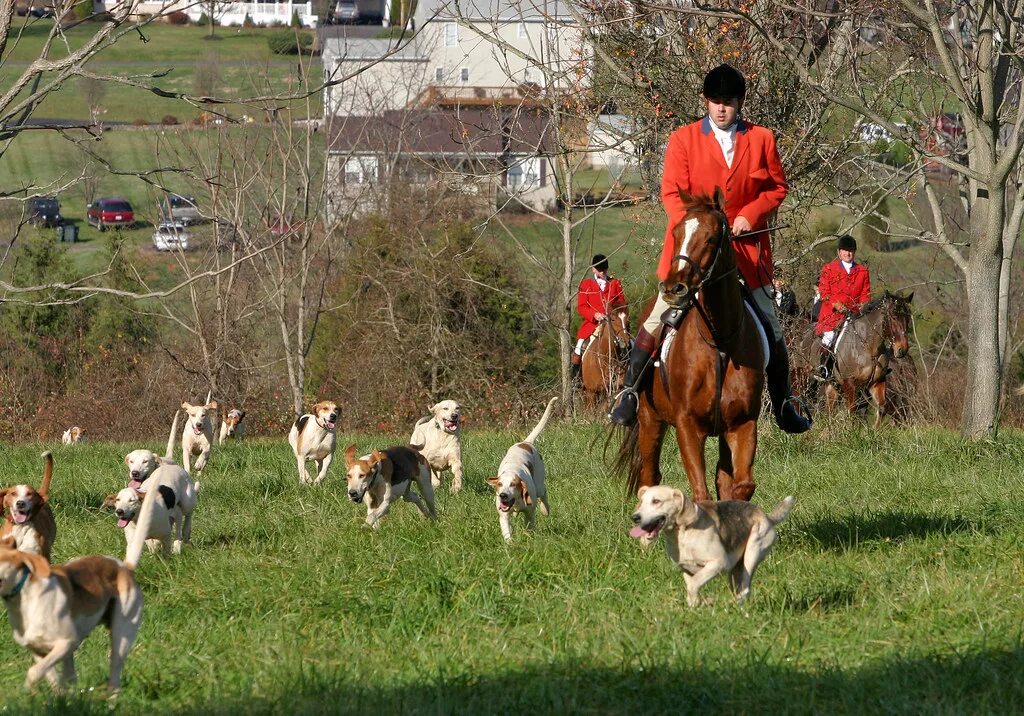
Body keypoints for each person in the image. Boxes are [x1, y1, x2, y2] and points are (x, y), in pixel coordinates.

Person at [609, 63, 811, 433]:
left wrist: (751, 214)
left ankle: (784, 404)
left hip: (747, 257)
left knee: (772, 326)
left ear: (740, 103)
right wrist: (698, 226)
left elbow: (777, 188)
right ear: (706, 101)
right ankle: (629, 394)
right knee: (657, 318)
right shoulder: (683, 139)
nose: (721, 109)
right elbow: (670, 192)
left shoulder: (762, 139)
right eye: (715, 102)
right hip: (694, 254)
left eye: (729, 102)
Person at [810, 234, 871, 386]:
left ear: (854, 252)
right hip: (833, 316)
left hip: (855, 315)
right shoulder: (828, 269)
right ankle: (823, 367)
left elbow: (866, 294)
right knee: (829, 337)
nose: (848, 254)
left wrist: (863, 305)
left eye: (851, 251)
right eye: (845, 251)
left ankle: (875, 368)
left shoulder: (863, 272)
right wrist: (835, 304)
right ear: (839, 252)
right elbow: (824, 292)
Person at [573, 254, 627, 385]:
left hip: (614, 324)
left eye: (604, 270)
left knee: (628, 344)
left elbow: (622, 304)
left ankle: (629, 376)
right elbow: (581, 307)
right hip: (592, 324)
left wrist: (613, 314)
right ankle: (576, 378)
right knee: (580, 346)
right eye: (599, 270)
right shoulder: (586, 285)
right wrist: (595, 315)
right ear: (593, 269)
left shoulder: (615, 283)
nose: (602, 273)